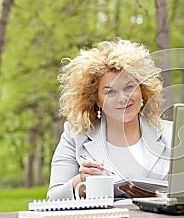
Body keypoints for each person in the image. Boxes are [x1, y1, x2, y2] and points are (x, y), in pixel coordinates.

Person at [47, 39, 172, 200]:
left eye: (129, 87)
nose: (123, 99)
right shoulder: (75, 136)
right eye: (110, 92)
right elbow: (53, 198)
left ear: (142, 90)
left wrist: (155, 196)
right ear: (96, 99)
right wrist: (82, 181)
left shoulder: (170, 134)